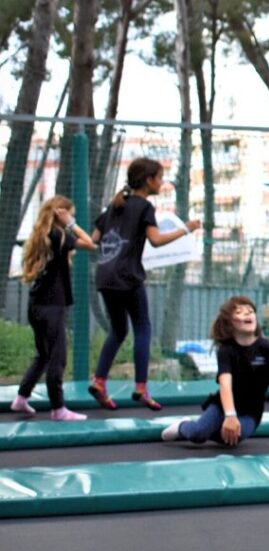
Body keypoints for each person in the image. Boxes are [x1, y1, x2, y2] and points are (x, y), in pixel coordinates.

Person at [88, 157, 201, 412]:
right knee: (142, 327)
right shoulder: (144, 207)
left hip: (105, 276)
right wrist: (186, 229)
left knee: (118, 330)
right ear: (149, 180)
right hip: (127, 276)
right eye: (159, 178)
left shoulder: (115, 205)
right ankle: (141, 387)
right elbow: (156, 240)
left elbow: (94, 239)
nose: (161, 182)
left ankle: (99, 381)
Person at [161, 296, 269, 446]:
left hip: (250, 413)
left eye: (251, 311)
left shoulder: (266, 348)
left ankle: (211, 430)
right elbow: (225, 385)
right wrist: (230, 415)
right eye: (240, 312)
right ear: (230, 323)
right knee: (199, 434)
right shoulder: (227, 350)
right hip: (223, 406)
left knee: (232, 439)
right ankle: (183, 426)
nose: (248, 314)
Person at [11, 196, 98, 420]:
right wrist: (71, 224)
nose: (72, 218)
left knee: (43, 355)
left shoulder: (42, 235)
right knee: (57, 358)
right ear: (61, 214)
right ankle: (58, 409)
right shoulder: (59, 234)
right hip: (52, 307)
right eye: (70, 214)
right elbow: (90, 243)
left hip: (36, 305)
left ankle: (21, 398)